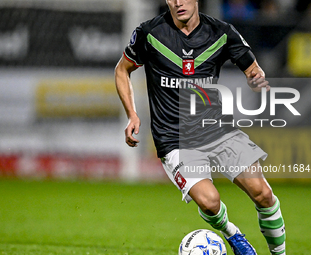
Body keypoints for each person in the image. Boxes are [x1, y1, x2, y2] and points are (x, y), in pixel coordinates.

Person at [115, 0, 286, 254]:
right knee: (209, 202)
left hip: (217, 130)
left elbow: (253, 69)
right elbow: (122, 70)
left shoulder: (222, 33)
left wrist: (256, 79)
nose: (178, 2)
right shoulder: (150, 33)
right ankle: (234, 235)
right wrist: (132, 114)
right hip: (174, 139)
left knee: (263, 193)